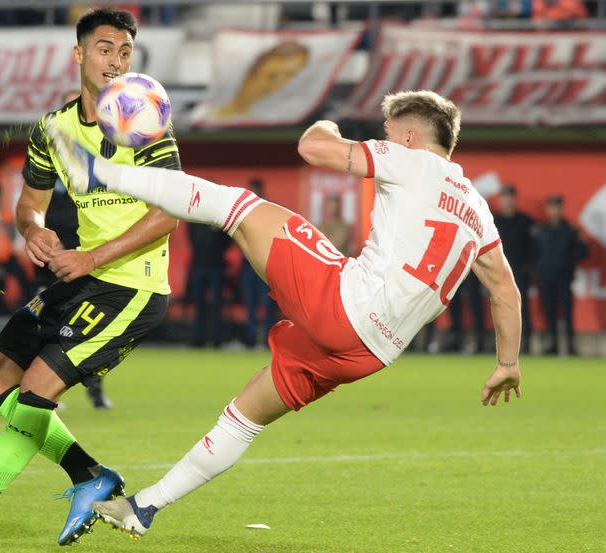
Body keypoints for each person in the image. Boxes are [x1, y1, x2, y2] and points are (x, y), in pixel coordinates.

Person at [88, 90, 522, 538]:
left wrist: (329, 122)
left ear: (410, 138)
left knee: (238, 207)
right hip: (370, 353)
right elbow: (505, 290)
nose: (383, 142)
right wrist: (507, 363)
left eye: (387, 135)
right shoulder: (477, 210)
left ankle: (99, 172)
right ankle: (143, 506)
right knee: (245, 416)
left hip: (345, 306)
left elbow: (312, 148)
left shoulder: (412, 160)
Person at [0, 8, 182, 547]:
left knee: (33, 391)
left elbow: (170, 211)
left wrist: (93, 258)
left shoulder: (145, 120)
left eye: (124, 51)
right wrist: (33, 231)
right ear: (79, 54)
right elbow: (29, 205)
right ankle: (89, 476)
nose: (115, 60)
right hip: (80, 275)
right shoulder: (53, 128)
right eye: (104, 48)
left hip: (132, 284)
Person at [37, 87, 113, 409]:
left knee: (95, 318)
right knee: (52, 312)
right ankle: (46, 385)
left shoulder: (107, 146)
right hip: (57, 237)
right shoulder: (50, 146)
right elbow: (35, 198)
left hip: (90, 241)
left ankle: (94, 385)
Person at [534, 194, 588, 355]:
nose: (554, 210)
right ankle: (553, 345)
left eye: (557, 207)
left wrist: (568, 261)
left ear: (561, 208)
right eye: (552, 207)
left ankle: (570, 345)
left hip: (564, 278)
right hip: (546, 278)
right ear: (548, 209)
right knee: (549, 312)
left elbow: (583, 252)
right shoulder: (541, 230)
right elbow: (534, 253)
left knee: (567, 312)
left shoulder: (570, 230)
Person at [493, 184, 535, 353]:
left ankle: (525, 345)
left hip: (519, 272)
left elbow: (533, 248)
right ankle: (498, 346)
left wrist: (529, 269)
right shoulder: (493, 220)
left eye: (510, 197)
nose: (507, 200)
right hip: (497, 273)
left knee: (521, 310)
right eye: (504, 197)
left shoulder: (525, 221)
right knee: (498, 310)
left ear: (514, 199)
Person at [239, 178, 276, 348]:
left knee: (267, 304)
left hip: (266, 264)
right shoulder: (244, 212)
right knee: (250, 304)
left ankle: (269, 340)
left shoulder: (269, 211)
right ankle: (252, 339)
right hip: (247, 265)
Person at [187, 222, 232, 348]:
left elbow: (228, 239)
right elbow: (191, 236)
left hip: (215, 265)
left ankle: (216, 339)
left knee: (217, 304)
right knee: (199, 304)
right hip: (200, 265)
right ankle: (199, 338)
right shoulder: (195, 218)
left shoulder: (216, 216)